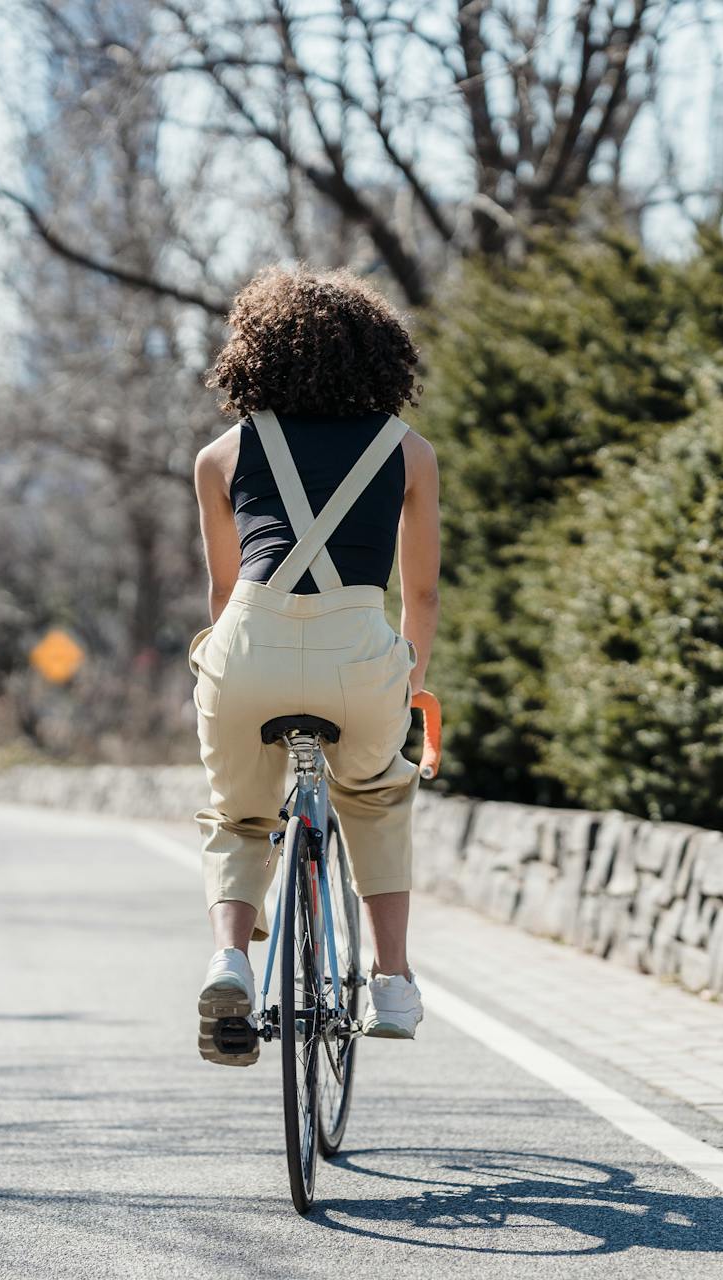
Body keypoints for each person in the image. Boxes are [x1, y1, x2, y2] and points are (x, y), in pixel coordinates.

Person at [188, 266, 441, 1066]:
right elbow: (423, 591)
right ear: (381, 357)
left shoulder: (221, 454)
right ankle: (391, 983)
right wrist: (411, 680)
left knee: (238, 814)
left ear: (254, 354)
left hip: (250, 649)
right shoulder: (409, 453)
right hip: (360, 655)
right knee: (375, 794)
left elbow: (225, 592)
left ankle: (230, 959)